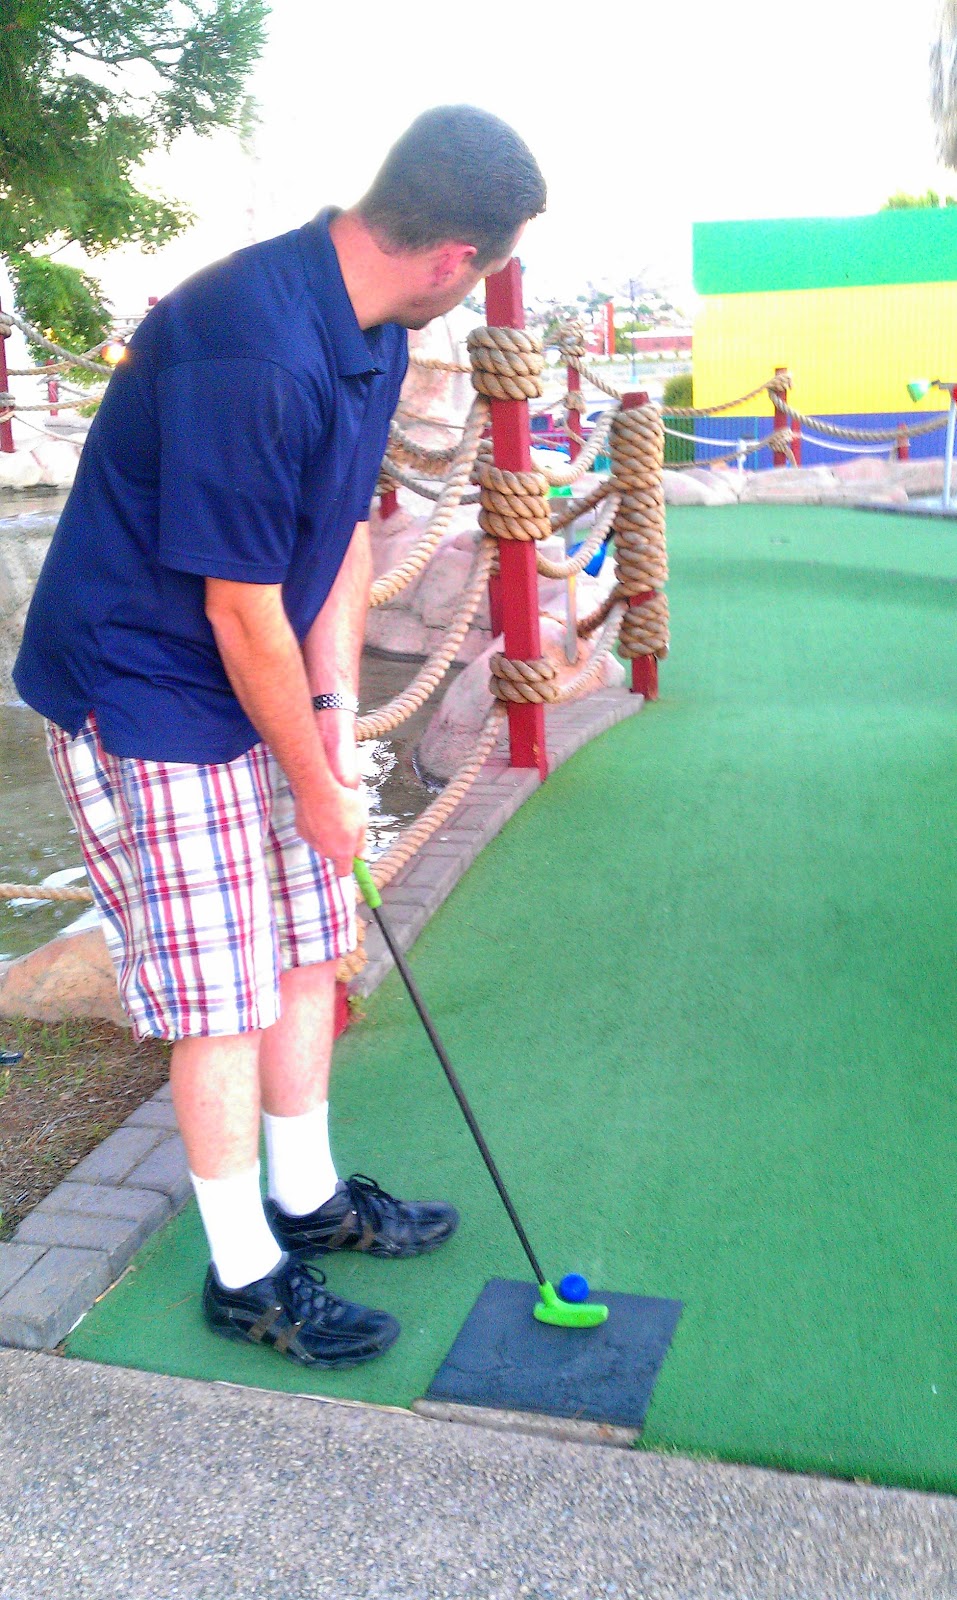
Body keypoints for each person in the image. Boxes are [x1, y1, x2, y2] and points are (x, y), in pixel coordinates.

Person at [14, 105, 547, 1369]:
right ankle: (244, 1270)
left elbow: (340, 547)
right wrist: (314, 781)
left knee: (311, 941)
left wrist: (330, 721)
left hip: (257, 682)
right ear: (454, 257)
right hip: (146, 694)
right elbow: (238, 608)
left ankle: (304, 1196)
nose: (476, 291)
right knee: (222, 994)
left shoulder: (369, 331)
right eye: (489, 270)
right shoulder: (252, 345)